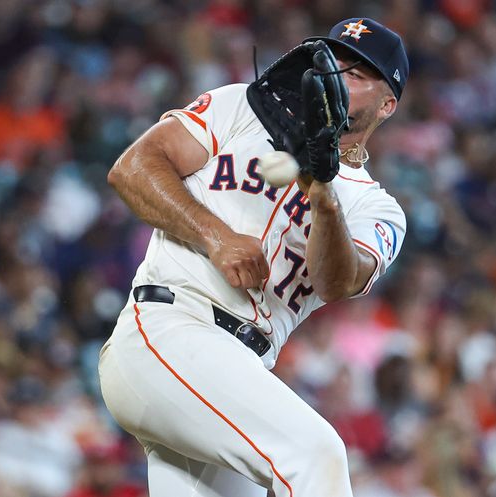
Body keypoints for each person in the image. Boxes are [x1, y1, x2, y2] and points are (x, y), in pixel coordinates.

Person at [99, 17, 409, 497]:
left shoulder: (376, 208)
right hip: (169, 327)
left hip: (237, 371)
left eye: (358, 73)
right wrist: (216, 236)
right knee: (315, 455)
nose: (337, 76)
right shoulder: (240, 106)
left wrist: (323, 196)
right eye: (335, 61)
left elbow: (337, 281)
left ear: (387, 104)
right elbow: (132, 169)